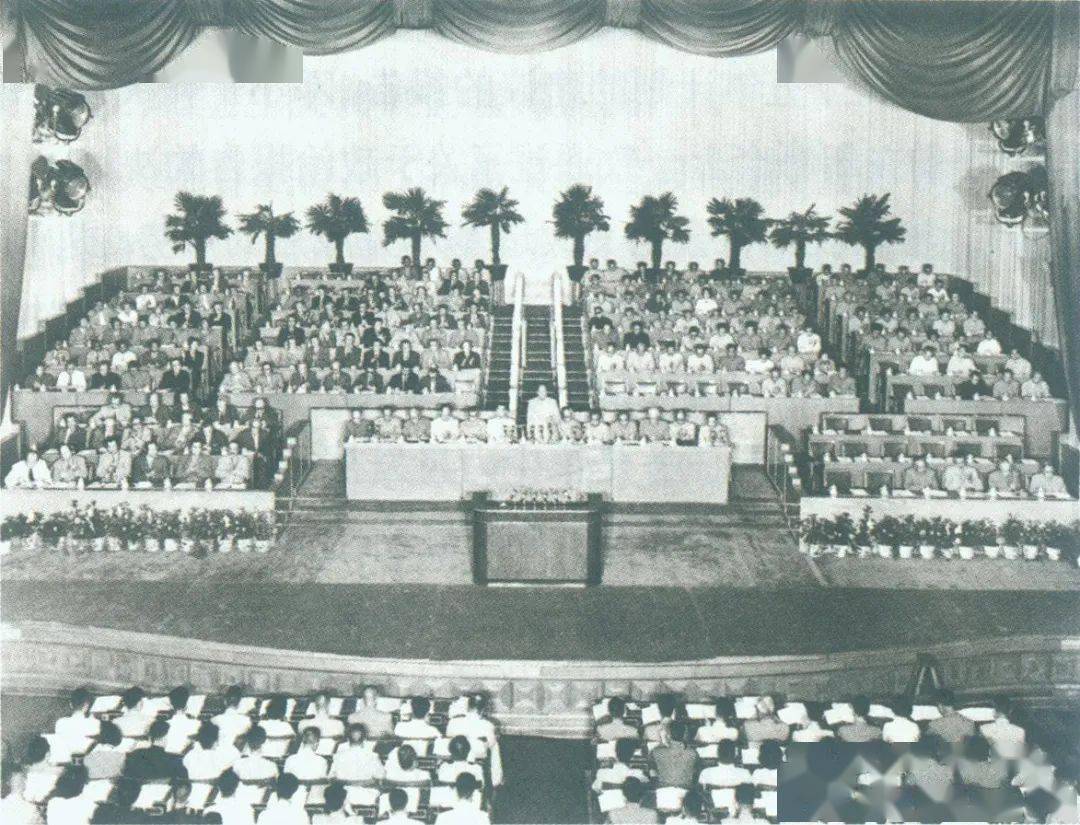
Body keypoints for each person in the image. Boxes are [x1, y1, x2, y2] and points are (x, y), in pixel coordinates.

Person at [649, 721, 697, 789]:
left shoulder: (656, 752)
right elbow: (695, 776)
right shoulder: (693, 753)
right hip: (685, 792)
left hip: (663, 791)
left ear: (669, 734)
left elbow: (652, 775)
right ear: (684, 734)